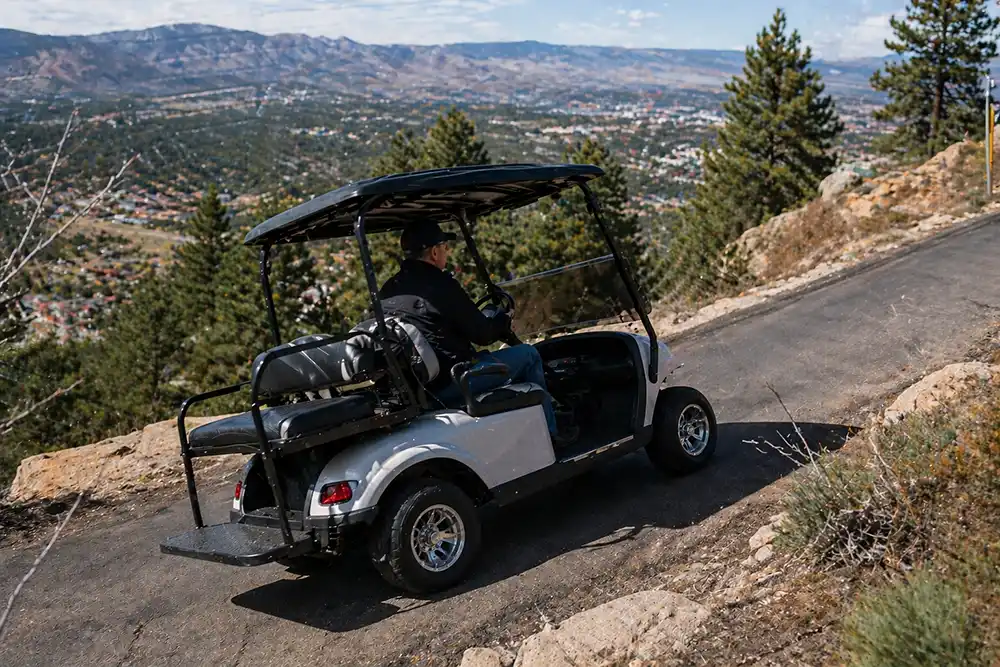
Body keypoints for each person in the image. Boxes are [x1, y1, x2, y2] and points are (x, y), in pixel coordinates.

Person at [377, 219, 578, 446]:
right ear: (434, 252)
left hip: (421, 388)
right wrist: (501, 321)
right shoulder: (441, 286)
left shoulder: (387, 290)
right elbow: (482, 334)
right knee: (528, 355)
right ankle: (551, 434)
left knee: (493, 359)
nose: (447, 252)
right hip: (455, 383)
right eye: (445, 247)